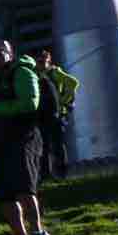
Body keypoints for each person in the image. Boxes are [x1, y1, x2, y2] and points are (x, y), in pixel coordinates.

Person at [0, 39, 51, 235]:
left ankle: (38, 232)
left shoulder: (23, 73)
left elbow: (30, 103)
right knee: (5, 193)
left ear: (9, 54)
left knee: (24, 187)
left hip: (23, 137)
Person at [34, 45, 79, 178]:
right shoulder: (37, 74)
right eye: (39, 62)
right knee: (44, 144)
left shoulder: (54, 72)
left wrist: (62, 100)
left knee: (58, 144)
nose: (41, 64)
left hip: (57, 114)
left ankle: (62, 172)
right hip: (43, 114)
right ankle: (46, 173)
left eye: (44, 61)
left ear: (49, 61)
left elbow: (73, 83)